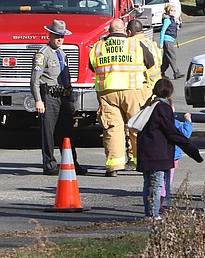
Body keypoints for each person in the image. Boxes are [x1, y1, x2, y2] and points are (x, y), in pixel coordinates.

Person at [89, 18, 154, 177]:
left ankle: (113, 166)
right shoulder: (135, 44)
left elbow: (92, 66)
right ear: (124, 30)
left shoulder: (98, 47)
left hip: (107, 93)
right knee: (137, 127)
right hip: (132, 90)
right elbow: (150, 62)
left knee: (112, 128)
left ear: (109, 31)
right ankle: (142, 162)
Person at [136, 78, 203, 220]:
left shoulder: (149, 105)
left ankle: (148, 212)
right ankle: (153, 214)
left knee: (148, 183)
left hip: (145, 152)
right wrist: (192, 149)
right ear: (169, 92)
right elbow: (171, 132)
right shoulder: (163, 108)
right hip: (158, 154)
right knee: (157, 184)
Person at [31, 20, 87, 176]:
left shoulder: (63, 54)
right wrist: (38, 100)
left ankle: (71, 162)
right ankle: (49, 164)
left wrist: (71, 100)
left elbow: (67, 78)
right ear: (50, 35)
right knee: (48, 132)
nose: (60, 39)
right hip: (49, 95)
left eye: (62, 36)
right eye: (57, 36)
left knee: (68, 131)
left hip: (63, 96)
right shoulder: (43, 54)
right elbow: (35, 79)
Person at [125, 19, 163, 170]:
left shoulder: (131, 45)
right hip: (155, 88)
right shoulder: (152, 44)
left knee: (134, 124)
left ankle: (134, 158)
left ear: (129, 32)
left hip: (141, 87)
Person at [160, 103, 192, 213]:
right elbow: (185, 134)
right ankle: (158, 203)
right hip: (172, 157)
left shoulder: (155, 121)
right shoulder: (174, 123)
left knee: (156, 180)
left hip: (158, 156)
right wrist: (188, 121)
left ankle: (154, 203)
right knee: (166, 182)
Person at [159, 3, 184, 80]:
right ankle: (176, 73)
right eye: (173, 10)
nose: (175, 12)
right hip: (167, 41)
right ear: (169, 11)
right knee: (172, 57)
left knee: (166, 60)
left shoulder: (172, 19)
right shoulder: (167, 20)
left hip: (170, 40)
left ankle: (160, 73)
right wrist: (161, 43)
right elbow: (162, 31)